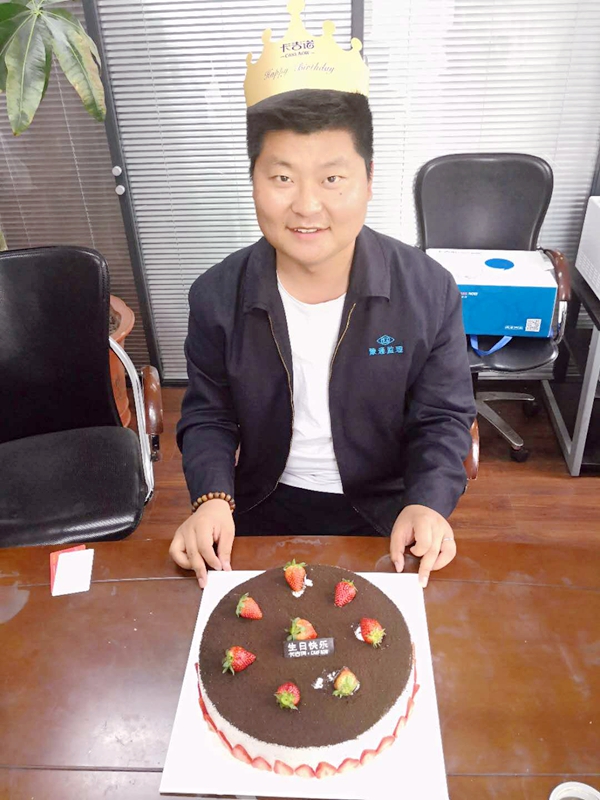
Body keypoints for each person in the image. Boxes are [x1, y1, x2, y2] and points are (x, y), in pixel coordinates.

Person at [170, 9, 476, 590]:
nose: (307, 206)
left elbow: (442, 417)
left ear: (369, 178)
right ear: (253, 179)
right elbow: (209, 413)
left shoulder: (428, 291)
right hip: (257, 506)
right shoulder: (215, 295)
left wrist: (428, 502)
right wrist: (211, 498)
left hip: (386, 513)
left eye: (332, 178)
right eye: (282, 177)